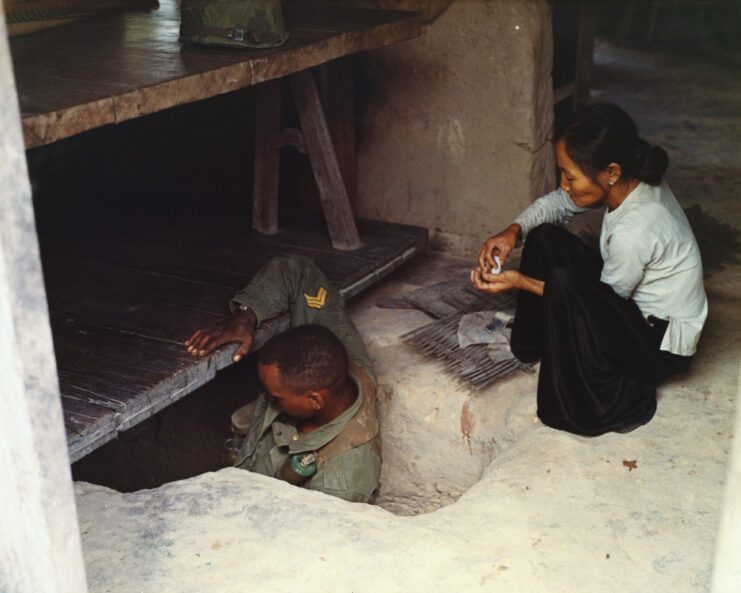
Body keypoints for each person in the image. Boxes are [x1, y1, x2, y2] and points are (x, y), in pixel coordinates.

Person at [471, 102, 707, 436]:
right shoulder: (627, 179)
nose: (565, 184)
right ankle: (534, 344)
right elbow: (558, 203)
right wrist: (513, 232)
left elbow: (598, 304)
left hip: (659, 346)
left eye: (571, 175)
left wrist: (520, 281)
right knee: (544, 237)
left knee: (565, 282)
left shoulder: (637, 227)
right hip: (625, 305)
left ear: (611, 171)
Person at [184, 255, 381, 502]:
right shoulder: (337, 354)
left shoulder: (341, 483)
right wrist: (245, 318)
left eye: (276, 397)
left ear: (315, 401)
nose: (266, 399)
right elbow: (298, 272)